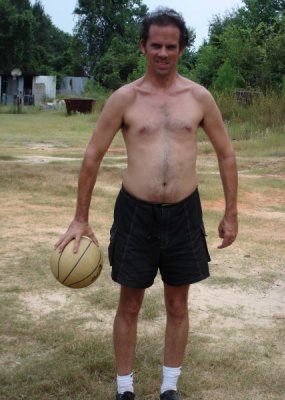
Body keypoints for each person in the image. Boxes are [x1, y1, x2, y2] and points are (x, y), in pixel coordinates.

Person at [55, 7, 238, 400]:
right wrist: (79, 218)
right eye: (155, 45)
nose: (162, 53)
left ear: (181, 49)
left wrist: (231, 213)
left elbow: (226, 154)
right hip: (135, 212)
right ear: (143, 46)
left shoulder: (199, 97)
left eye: (170, 46)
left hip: (185, 212)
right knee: (130, 304)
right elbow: (92, 157)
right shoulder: (125, 98)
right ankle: (125, 389)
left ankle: (169, 388)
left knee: (177, 303)